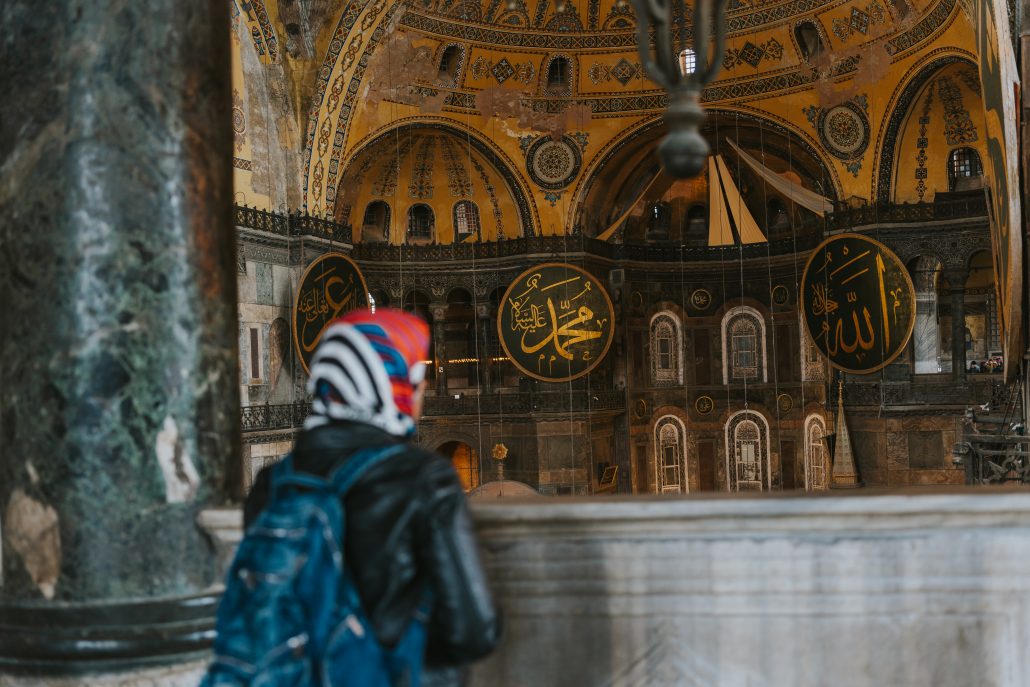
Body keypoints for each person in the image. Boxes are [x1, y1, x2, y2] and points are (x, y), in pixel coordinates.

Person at [245, 308, 501, 685]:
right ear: (393, 385)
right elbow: (473, 632)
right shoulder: (423, 479)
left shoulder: (273, 482)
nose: (422, 392)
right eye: (416, 380)